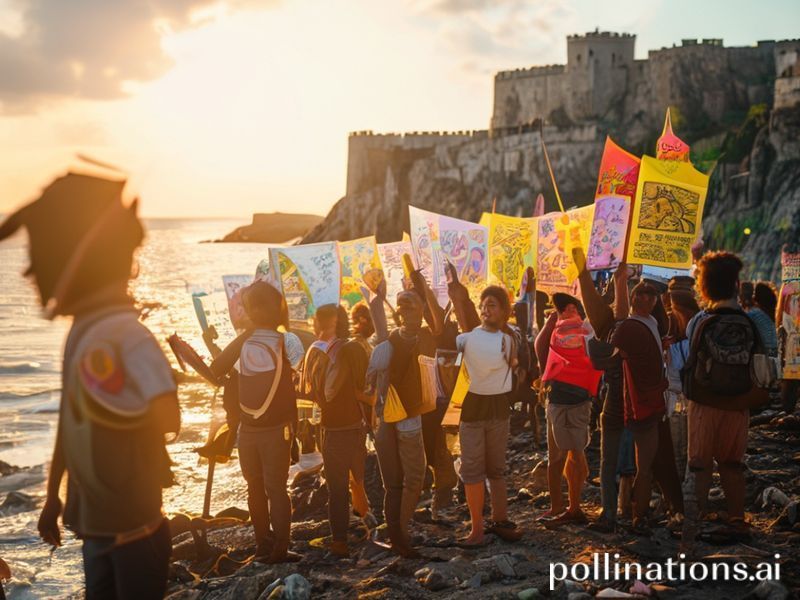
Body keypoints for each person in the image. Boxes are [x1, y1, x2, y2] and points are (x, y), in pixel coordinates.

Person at [0, 172, 180, 599]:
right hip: (93, 527)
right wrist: (52, 497)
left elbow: (168, 414)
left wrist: (113, 407)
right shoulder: (84, 330)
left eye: (39, 256)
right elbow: (70, 417)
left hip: (135, 529)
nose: (29, 271)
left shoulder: (124, 332)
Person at [682, 252, 769, 548]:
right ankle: (737, 518)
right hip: (738, 404)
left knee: (701, 465)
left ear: (704, 285)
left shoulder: (700, 321)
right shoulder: (749, 321)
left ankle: (699, 518)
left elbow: (690, 360)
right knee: (732, 464)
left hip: (704, 404)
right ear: (736, 283)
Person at [211, 280, 300, 563]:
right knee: (277, 490)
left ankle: (264, 546)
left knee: (256, 489)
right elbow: (301, 372)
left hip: (248, 430)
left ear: (250, 310)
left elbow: (216, 369)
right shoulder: (288, 340)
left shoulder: (244, 340)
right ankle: (280, 549)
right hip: (277, 430)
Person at [612, 279, 684, 533]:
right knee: (644, 465)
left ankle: (639, 512)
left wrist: (658, 348)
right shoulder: (629, 327)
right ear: (633, 298)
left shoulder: (651, 323)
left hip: (654, 401)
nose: (647, 299)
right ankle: (638, 516)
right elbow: (611, 352)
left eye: (651, 296)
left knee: (647, 463)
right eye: (642, 295)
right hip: (641, 404)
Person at [299, 304, 370, 558]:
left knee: (337, 488)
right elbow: (365, 386)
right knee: (358, 480)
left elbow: (316, 393)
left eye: (316, 320)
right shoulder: (355, 348)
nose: (313, 325)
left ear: (324, 323)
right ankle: (369, 525)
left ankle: (340, 542)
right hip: (357, 426)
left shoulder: (318, 352)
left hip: (333, 428)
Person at [365, 290, 431, 558]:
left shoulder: (385, 346)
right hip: (407, 420)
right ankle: (400, 535)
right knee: (412, 478)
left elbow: (367, 385)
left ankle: (397, 534)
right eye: (408, 308)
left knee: (394, 483)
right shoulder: (422, 341)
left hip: (387, 421)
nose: (410, 313)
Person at [455, 285, 521, 545]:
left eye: (492, 305)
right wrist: (458, 298)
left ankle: (499, 520)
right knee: (473, 472)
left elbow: (509, 354)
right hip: (472, 411)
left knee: (495, 469)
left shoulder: (509, 337)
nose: (486, 309)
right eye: (483, 305)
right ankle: (477, 529)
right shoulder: (470, 336)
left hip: (497, 411)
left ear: (504, 310)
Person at [572, 249, 631, 532]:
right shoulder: (611, 328)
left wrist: (619, 281)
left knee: (622, 463)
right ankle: (616, 512)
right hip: (622, 405)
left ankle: (624, 511)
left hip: (635, 406)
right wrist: (584, 273)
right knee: (614, 463)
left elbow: (617, 315)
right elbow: (609, 313)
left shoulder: (647, 324)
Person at [535, 291, 602, 526]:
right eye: (568, 308)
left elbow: (539, 347)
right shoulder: (572, 327)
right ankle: (562, 506)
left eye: (573, 307)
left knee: (570, 454)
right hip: (566, 399)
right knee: (561, 456)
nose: (571, 311)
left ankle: (571, 507)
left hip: (571, 400)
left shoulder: (583, 328)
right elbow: (540, 346)